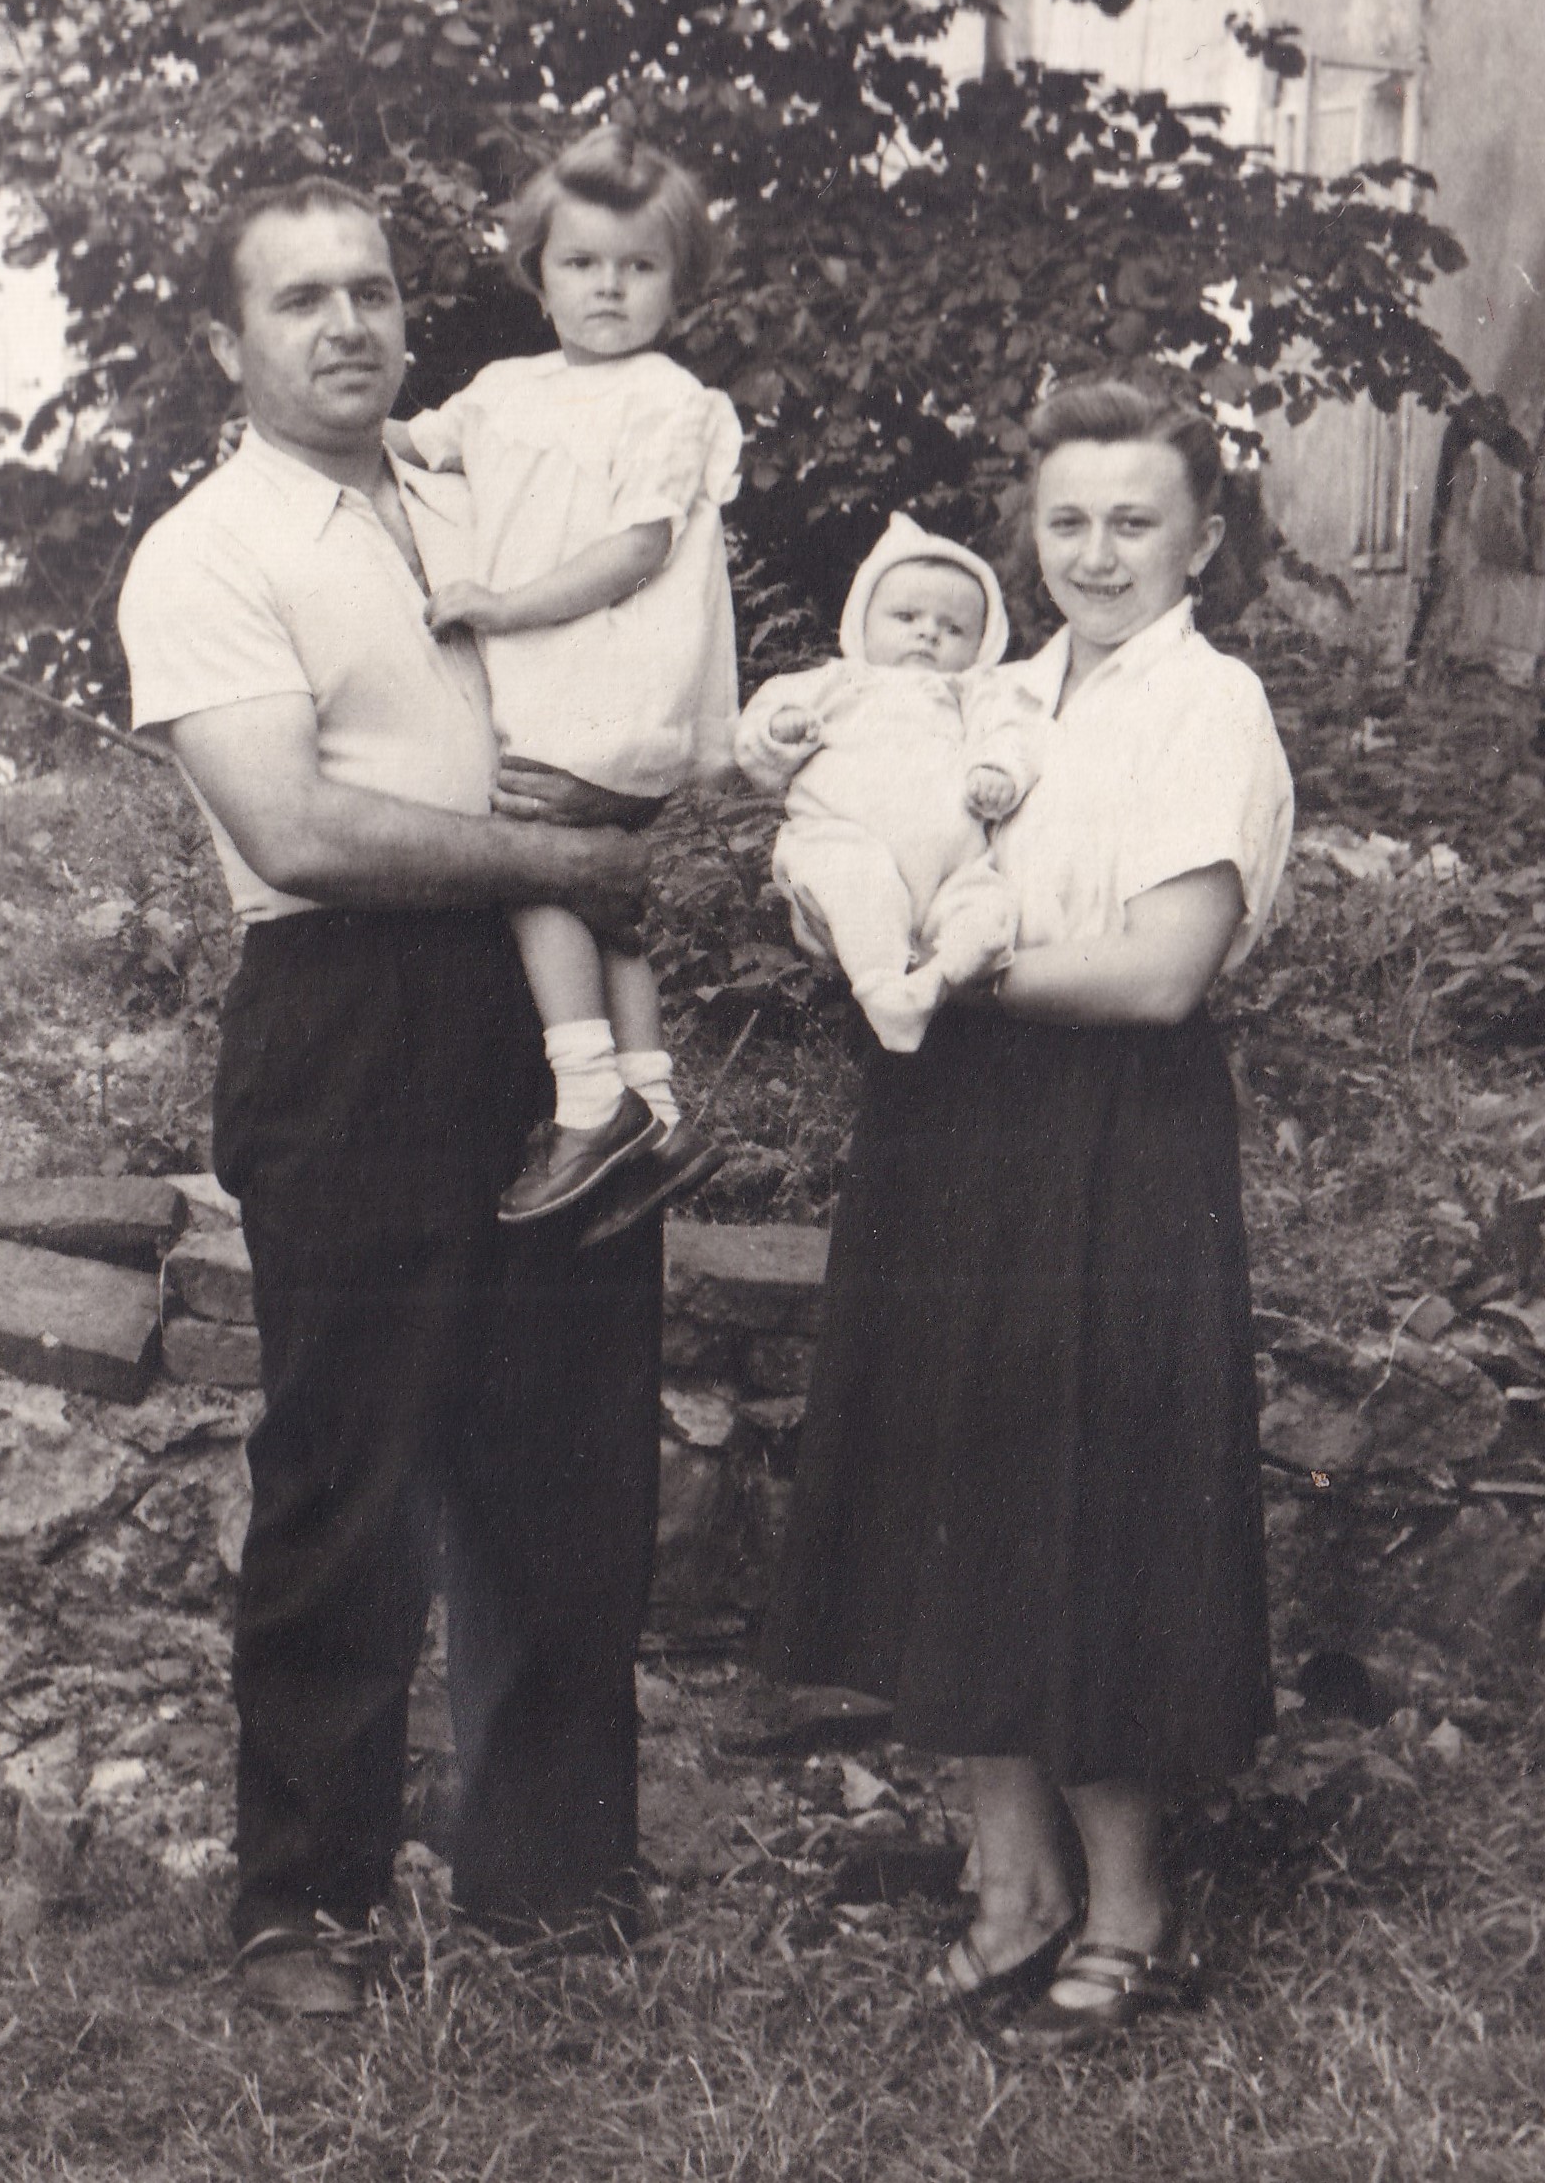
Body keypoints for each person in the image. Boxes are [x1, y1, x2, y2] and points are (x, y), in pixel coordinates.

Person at [117, 177, 666, 2016]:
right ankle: (303, 1904)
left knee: (567, 1450)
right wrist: (563, 861)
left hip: (545, 996)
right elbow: (295, 828)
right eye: (299, 301)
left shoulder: (472, 491)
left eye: (370, 291)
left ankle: (553, 1881)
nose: (347, 325)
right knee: (348, 1468)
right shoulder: (205, 550)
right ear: (226, 342)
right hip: (351, 1014)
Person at [761, 373, 1294, 2052]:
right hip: (949, 1118)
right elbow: (862, 843)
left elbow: (1159, 971)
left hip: (1112, 1131)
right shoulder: (985, 692)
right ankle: (1012, 1875)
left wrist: (948, 977)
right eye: (1066, 519)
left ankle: (1130, 1903)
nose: (1096, 551)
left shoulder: (1207, 705)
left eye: (1134, 520)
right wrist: (841, 907)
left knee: (1100, 1494)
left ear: (1202, 537)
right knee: (953, 1475)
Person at [388, 124, 740, 1236]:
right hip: (559, 676)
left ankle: (588, 1100)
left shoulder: (667, 399)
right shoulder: (505, 388)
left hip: (609, 675)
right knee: (599, 892)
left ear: (678, 285)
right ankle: (657, 1106)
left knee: (531, 860)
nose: (608, 287)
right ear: (537, 275)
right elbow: (416, 444)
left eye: (640, 267)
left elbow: (635, 549)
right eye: (581, 263)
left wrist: (500, 603)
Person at [733, 513, 1041, 1051]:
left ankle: (939, 978)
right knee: (858, 880)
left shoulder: (973, 694)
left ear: (983, 645)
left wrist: (997, 772)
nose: (928, 632)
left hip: (952, 869)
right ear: (862, 621)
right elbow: (756, 740)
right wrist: (782, 730)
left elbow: (1013, 733)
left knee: (990, 909)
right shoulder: (835, 683)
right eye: (906, 616)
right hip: (844, 840)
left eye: (953, 628)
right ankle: (882, 987)